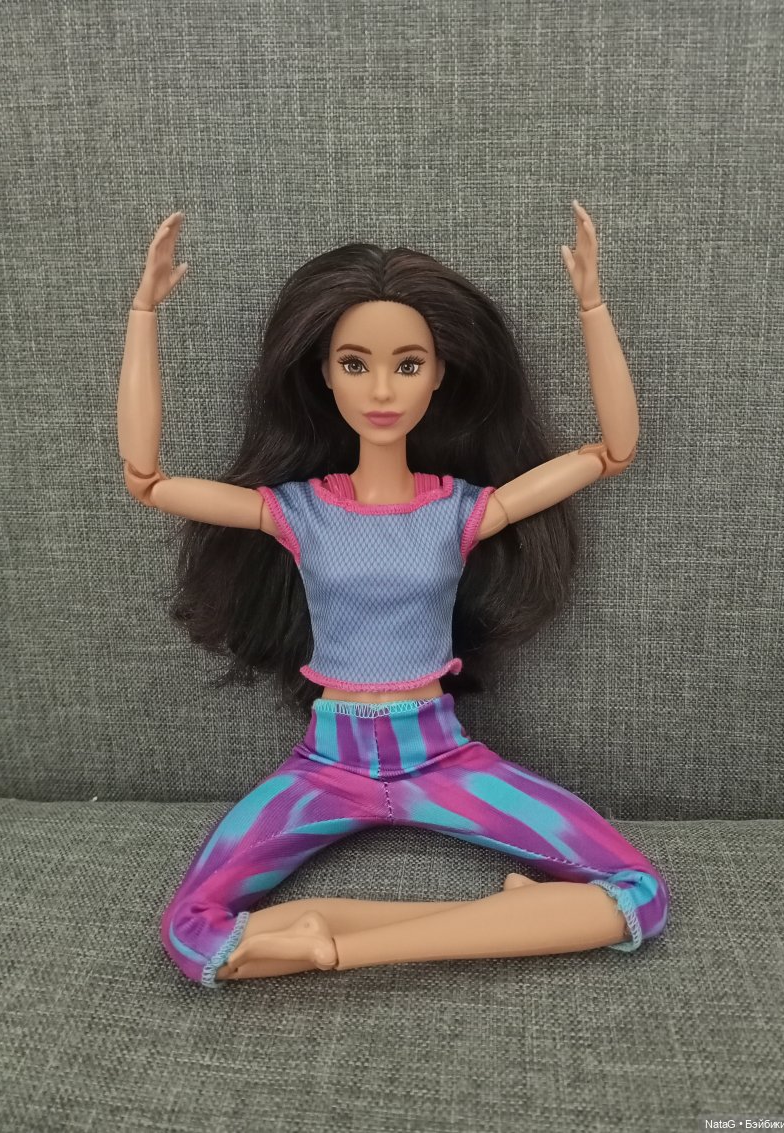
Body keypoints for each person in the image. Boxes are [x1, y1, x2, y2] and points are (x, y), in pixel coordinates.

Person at [116, 203, 669, 989]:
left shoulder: (460, 510)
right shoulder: (297, 511)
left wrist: (592, 304)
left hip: (438, 754)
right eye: (355, 364)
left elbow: (612, 450)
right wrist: (143, 313)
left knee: (639, 894)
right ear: (322, 372)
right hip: (326, 765)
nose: (382, 389)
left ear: (440, 374)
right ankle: (506, 918)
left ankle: (343, 944)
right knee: (190, 932)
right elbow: (147, 479)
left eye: (408, 365)